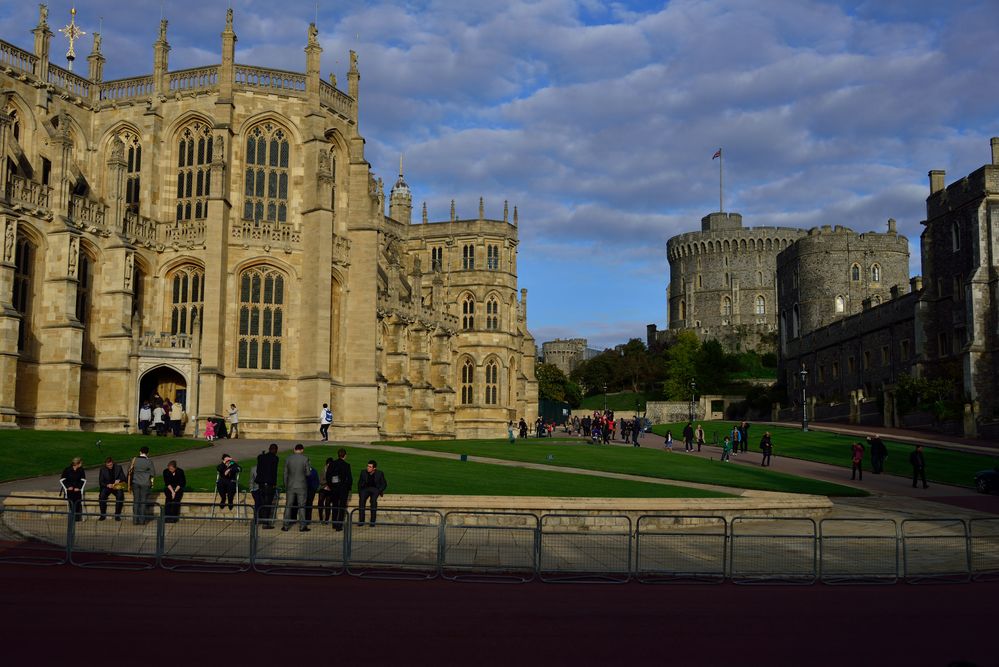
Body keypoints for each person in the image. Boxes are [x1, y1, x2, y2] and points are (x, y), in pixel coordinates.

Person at [282, 444, 311, 532]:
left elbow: (285, 474)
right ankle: (302, 526)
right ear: (302, 450)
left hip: (290, 485)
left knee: (288, 506)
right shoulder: (305, 459)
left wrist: (286, 485)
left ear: (295, 449)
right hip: (301, 485)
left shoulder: (288, 458)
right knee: (301, 506)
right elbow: (308, 474)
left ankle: (285, 525)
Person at [128, 446, 156, 525]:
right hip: (145, 483)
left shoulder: (134, 460)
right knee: (143, 501)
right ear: (148, 453)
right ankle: (142, 520)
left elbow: (129, 470)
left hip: (135, 482)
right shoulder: (149, 462)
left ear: (140, 452)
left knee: (136, 501)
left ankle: (135, 520)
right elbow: (153, 473)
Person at [357, 459, 387, 527]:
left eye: (370, 467)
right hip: (365, 489)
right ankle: (361, 521)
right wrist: (360, 491)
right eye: (368, 466)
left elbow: (384, 484)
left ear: (374, 468)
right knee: (361, 501)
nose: (368, 468)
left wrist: (379, 490)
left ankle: (372, 522)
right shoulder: (363, 472)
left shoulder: (379, 473)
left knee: (373, 501)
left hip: (375, 489)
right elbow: (359, 483)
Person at [256, 444, 279, 527]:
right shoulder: (275, 458)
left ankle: (262, 519)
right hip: (269, 484)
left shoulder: (261, 457)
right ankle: (266, 523)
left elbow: (259, 468)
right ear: (275, 450)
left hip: (261, 483)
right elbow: (274, 472)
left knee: (262, 502)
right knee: (268, 503)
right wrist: (274, 483)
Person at [329, 448, 353, 531]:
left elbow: (328, 476)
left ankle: (334, 524)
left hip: (334, 488)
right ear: (345, 456)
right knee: (342, 507)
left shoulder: (332, 464)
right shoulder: (346, 465)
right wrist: (348, 487)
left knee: (335, 506)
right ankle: (339, 525)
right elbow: (349, 479)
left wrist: (330, 486)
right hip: (343, 488)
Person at [97, 457, 126, 521]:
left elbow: (124, 478)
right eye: (108, 465)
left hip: (116, 486)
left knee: (120, 495)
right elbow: (101, 482)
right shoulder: (102, 469)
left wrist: (118, 480)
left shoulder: (118, 467)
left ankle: (117, 515)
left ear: (112, 463)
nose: (109, 466)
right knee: (102, 496)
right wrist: (107, 485)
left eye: (110, 465)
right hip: (107, 487)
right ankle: (103, 515)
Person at [60, 457, 86, 521]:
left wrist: (79, 487)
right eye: (81, 463)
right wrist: (68, 487)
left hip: (77, 489)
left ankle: (77, 516)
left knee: (77, 498)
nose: (81, 464)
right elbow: (63, 479)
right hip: (70, 489)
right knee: (71, 498)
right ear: (77, 463)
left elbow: (83, 480)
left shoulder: (81, 470)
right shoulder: (67, 469)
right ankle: (72, 515)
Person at [318, 457, 336, 523]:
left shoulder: (334, 471)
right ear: (327, 464)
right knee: (320, 502)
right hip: (323, 488)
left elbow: (335, 481)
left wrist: (330, 485)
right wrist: (327, 483)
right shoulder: (323, 470)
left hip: (330, 489)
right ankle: (320, 518)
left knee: (327, 503)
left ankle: (327, 519)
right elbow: (320, 481)